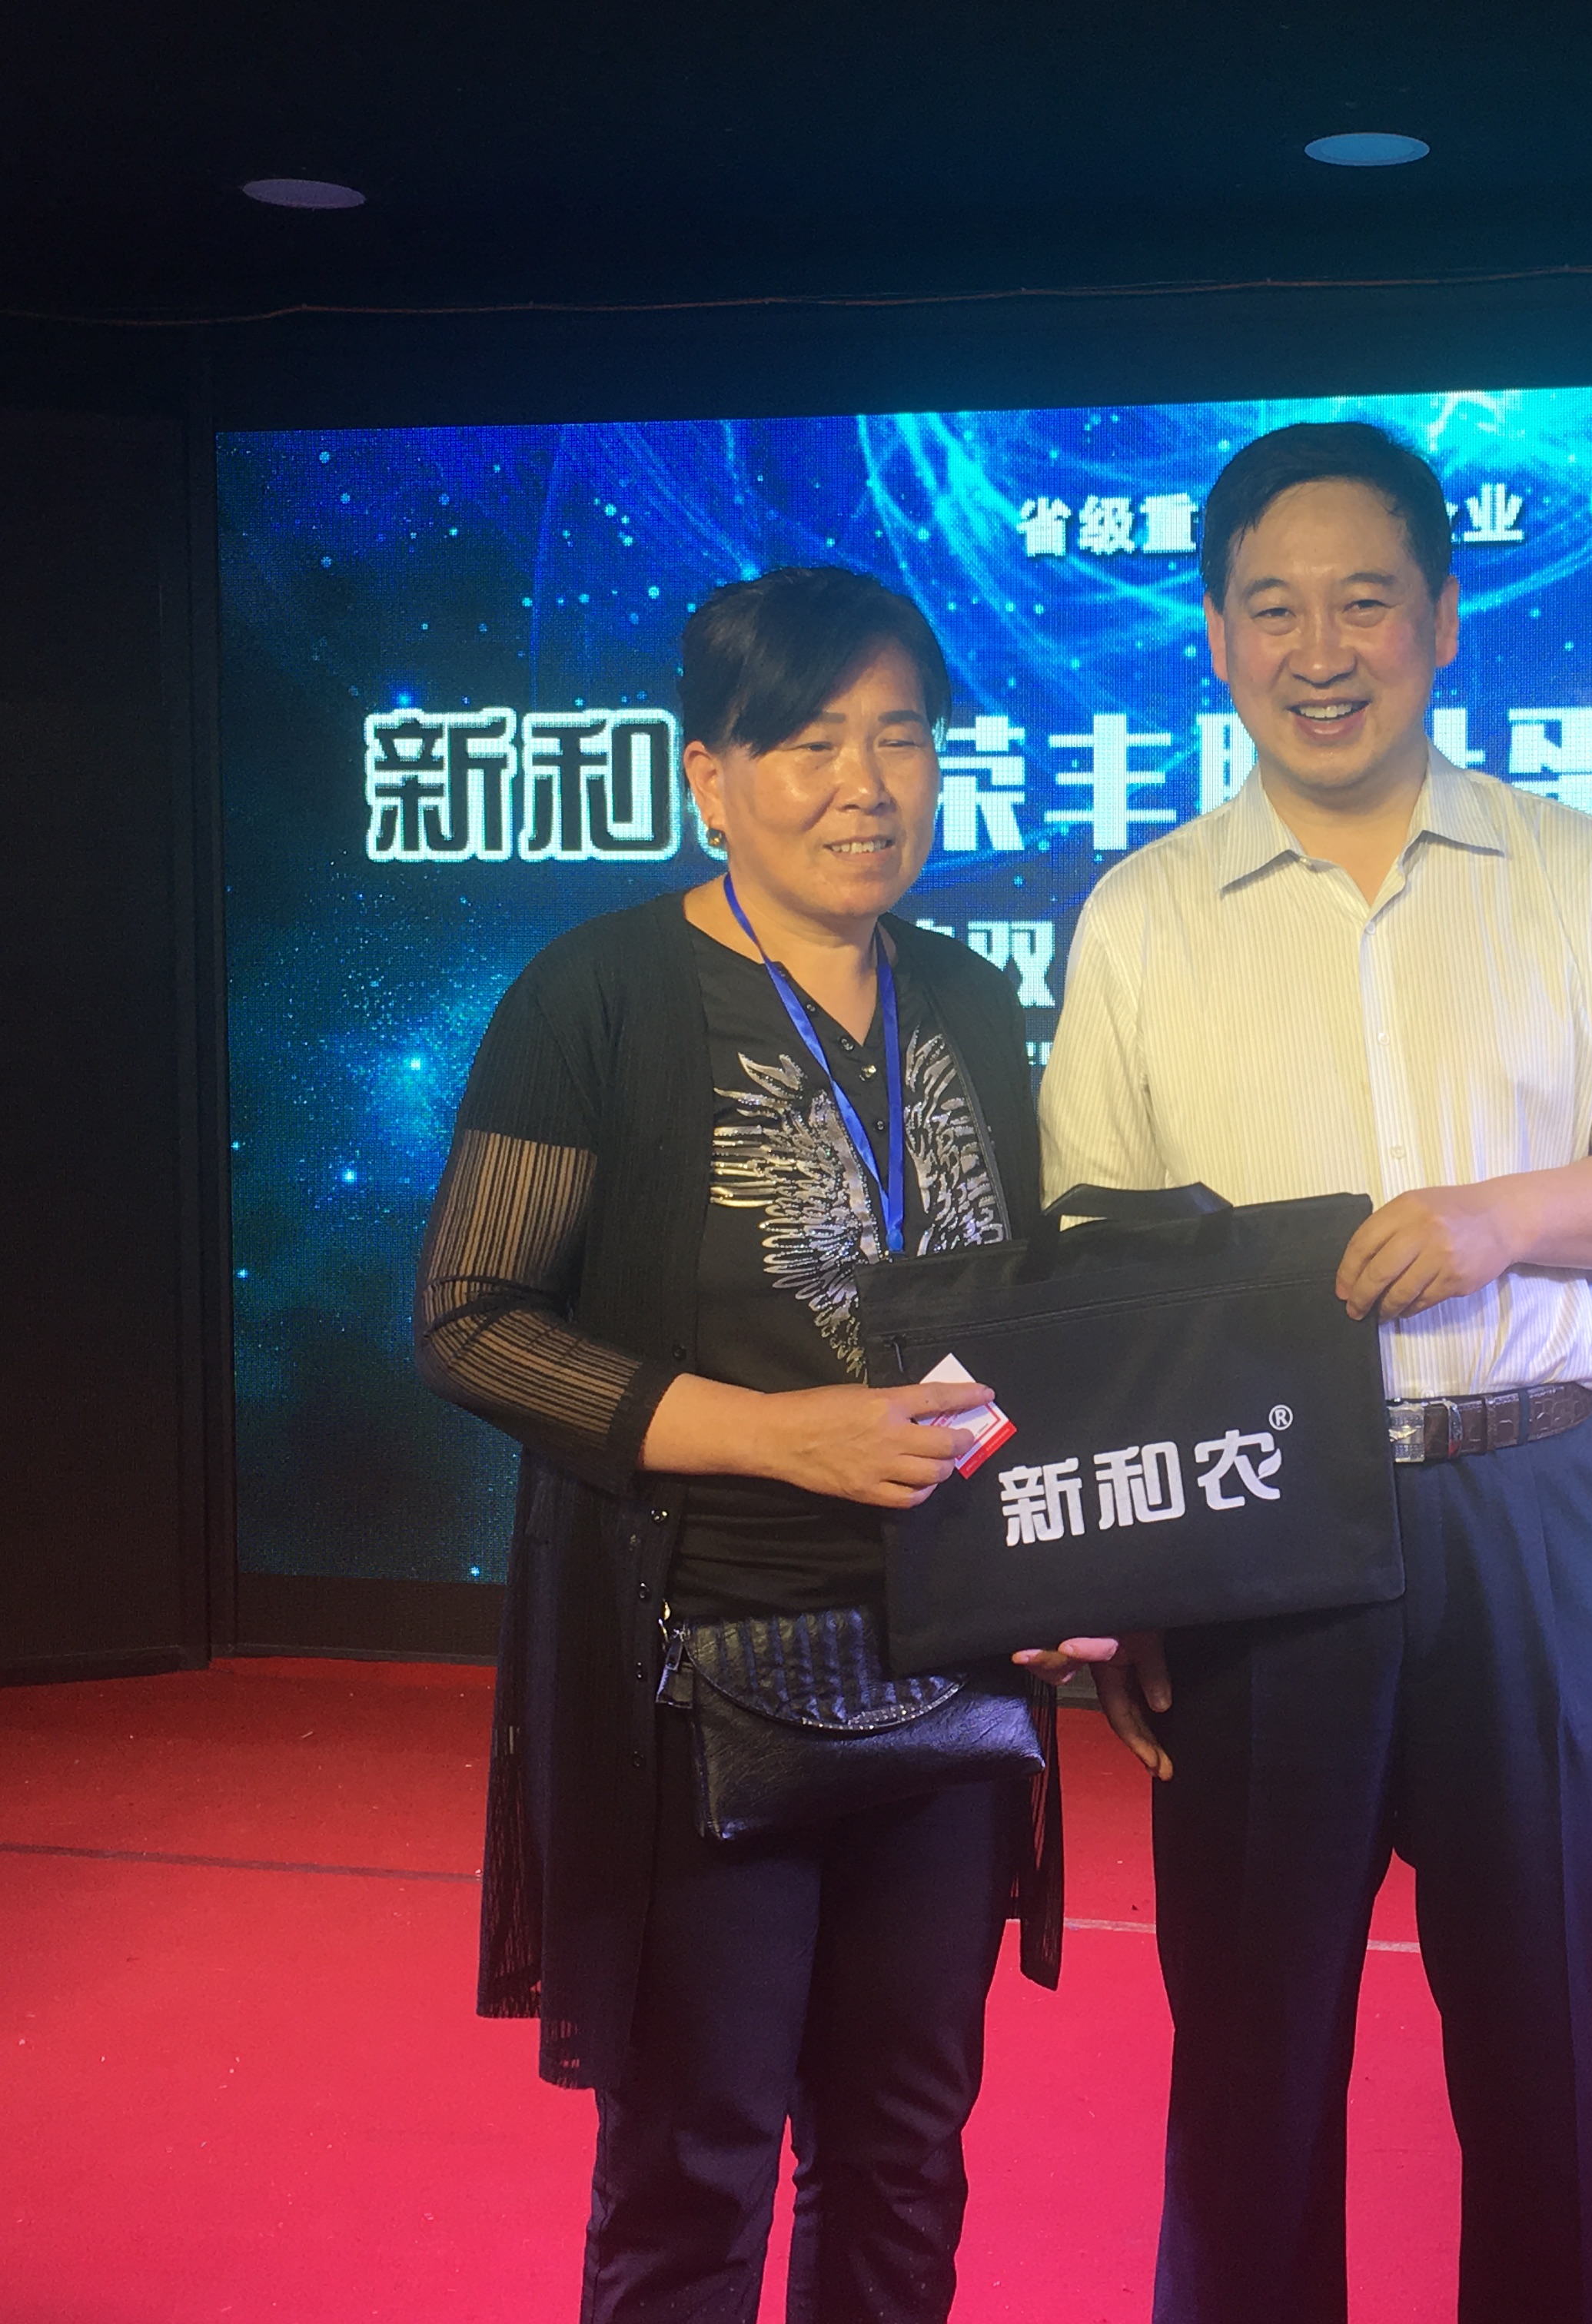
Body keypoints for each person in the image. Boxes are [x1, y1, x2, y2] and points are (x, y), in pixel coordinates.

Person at [1035, 422, 1592, 2324]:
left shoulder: (1571, 873)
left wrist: (1506, 1217)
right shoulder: (1145, 917)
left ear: (1441, 620)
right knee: (1252, 2059)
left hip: (1524, 1505)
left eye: (1364, 602)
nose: (1319, 650)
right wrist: (1130, 1578)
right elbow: (1100, 1275)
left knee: (1543, 2046)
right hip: (1258, 1532)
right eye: (1273, 609)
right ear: (1214, 638)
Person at [414, 565, 1055, 2324]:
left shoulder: (970, 1000)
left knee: (907, 2154)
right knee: (697, 2165)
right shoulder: (601, 996)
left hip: (950, 1668)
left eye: (902, 739)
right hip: (703, 1676)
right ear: (710, 774)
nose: (867, 785)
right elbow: (470, 1318)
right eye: (810, 743)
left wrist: (1072, 1551)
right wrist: (780, 1437)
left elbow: (1026, 1322)